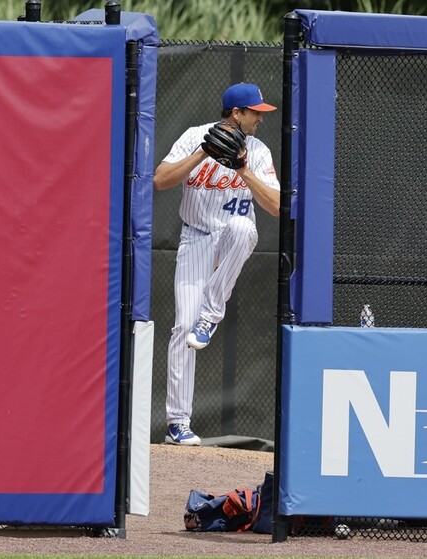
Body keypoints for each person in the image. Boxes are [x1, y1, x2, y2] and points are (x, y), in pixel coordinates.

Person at [153, 83, 280, 446]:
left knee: (244, 227)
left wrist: (244, 171)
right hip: (195, 237)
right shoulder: (195, 136)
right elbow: (161, 180)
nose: (260, 118)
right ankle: (178, 424)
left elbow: (276, 206)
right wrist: (201, 153)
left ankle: (213, 311)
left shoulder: (256, 150)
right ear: (236, 114)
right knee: (182, 328)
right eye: (255, 112)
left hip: (231, 239)